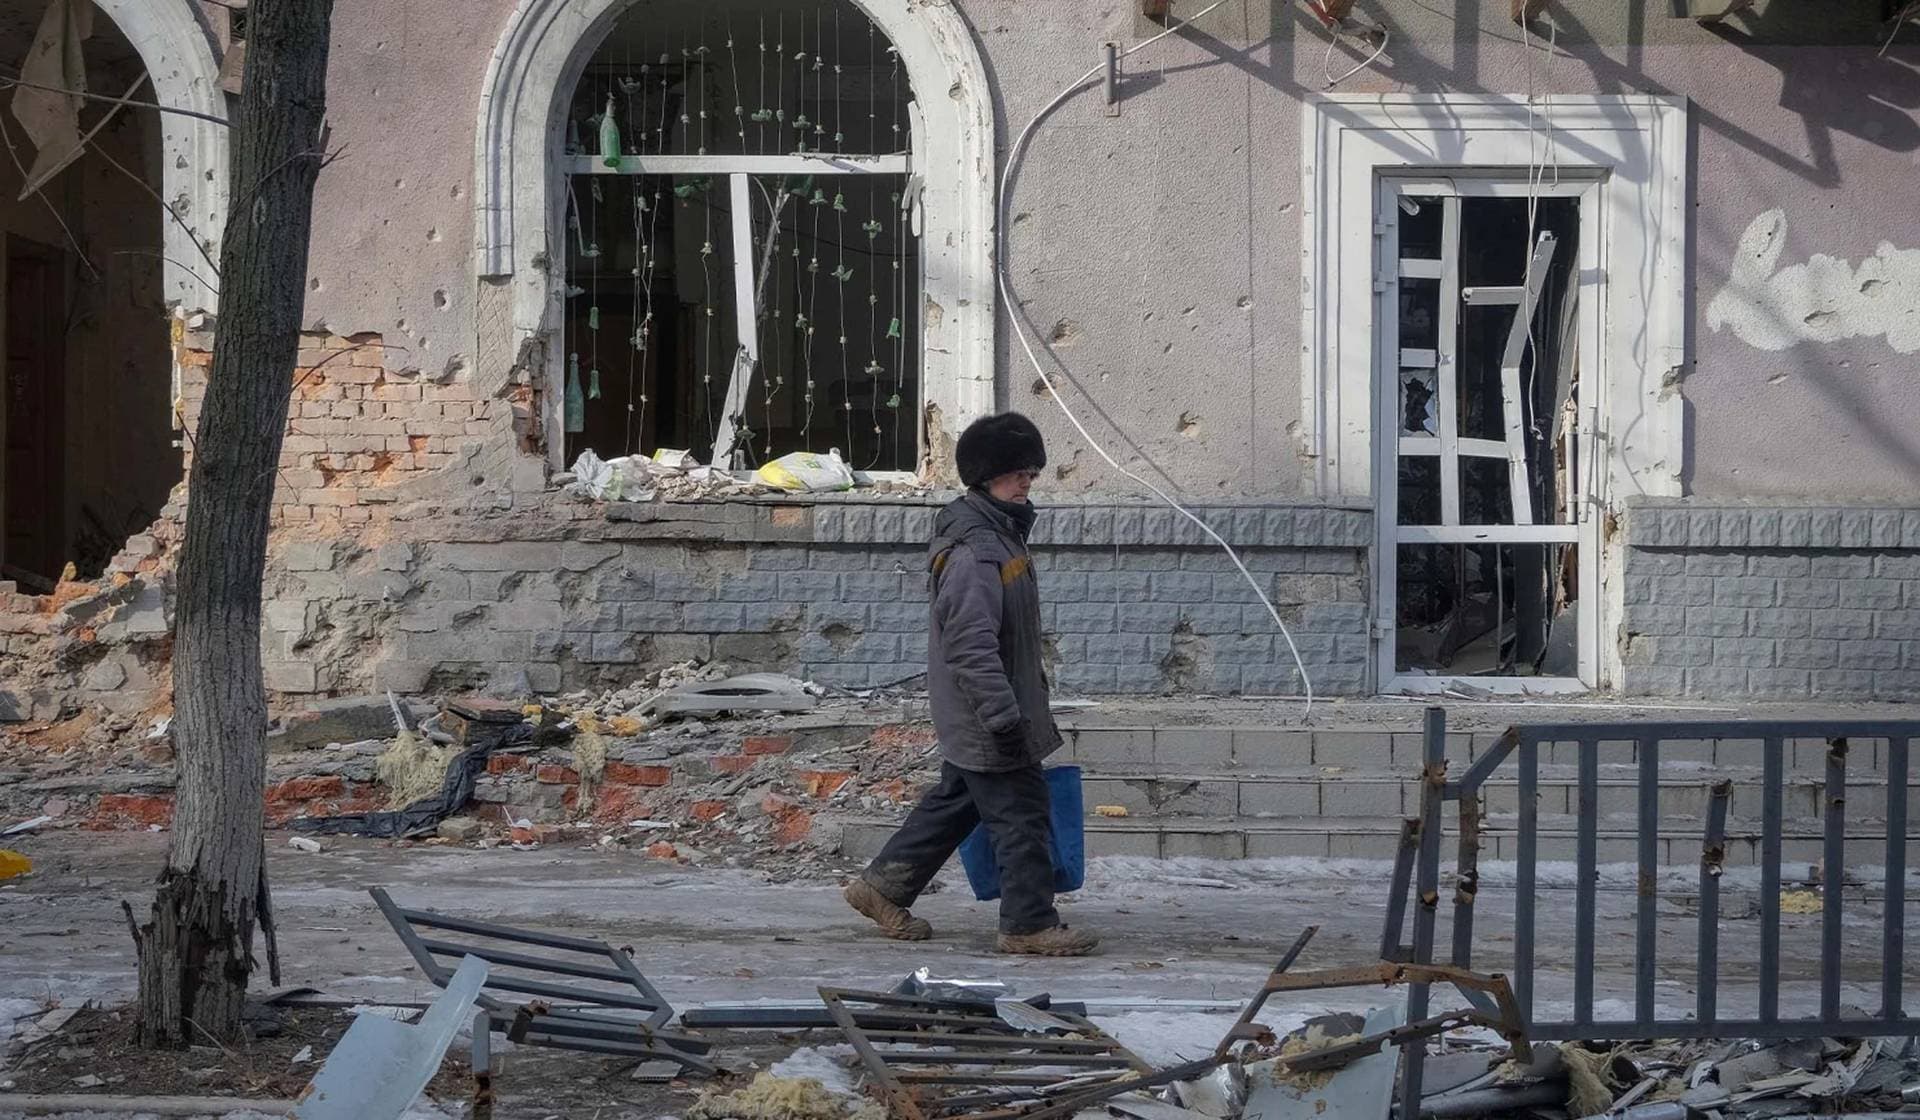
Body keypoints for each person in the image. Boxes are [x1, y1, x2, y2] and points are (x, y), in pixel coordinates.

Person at [843, 413, 1098, 957]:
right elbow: (970, 645)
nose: (1026, 479)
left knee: (957, 802)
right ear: (983, 476)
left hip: (985, 708)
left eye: (1030, 470)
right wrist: (1004, 718)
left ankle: (880, 888)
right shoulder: (978, 550)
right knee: (1022, 813)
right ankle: (1028, 923)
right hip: (987, 712)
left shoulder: (998, 535)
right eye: (1014, 472)